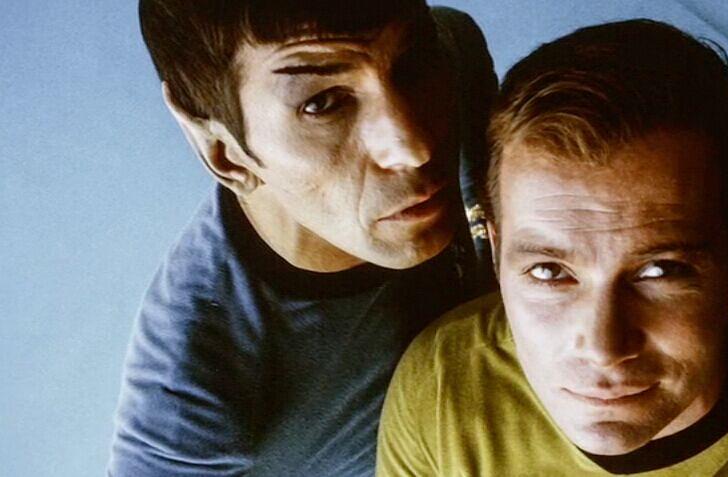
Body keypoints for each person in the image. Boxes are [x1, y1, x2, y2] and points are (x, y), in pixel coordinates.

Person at [377, 19, 728, 476]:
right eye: (549, 271)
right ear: (498, 255)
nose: (602, 348)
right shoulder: (443, 378)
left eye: (660, 270)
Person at [108, 1, 496, 475]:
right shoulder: (190, 392)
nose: (412, 147)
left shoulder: (451, 55)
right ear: (221, 150)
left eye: (411, 66)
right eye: (322, 104)